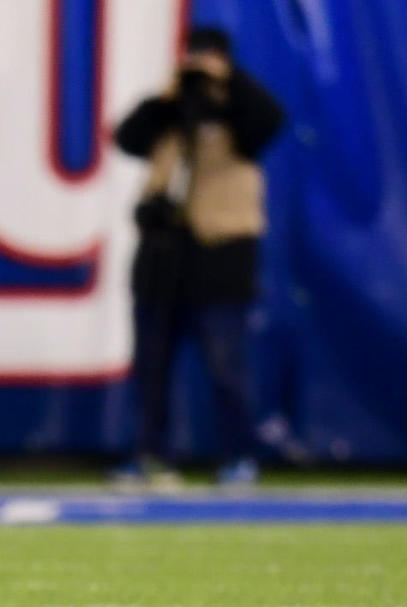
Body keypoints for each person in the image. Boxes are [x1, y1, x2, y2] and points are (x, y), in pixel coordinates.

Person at [113, 27, 284, 487]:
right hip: (164, 254)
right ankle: (151, 454)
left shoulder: (240, 108)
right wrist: (171, 94)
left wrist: (227, 84)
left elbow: (267, 124)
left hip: (221, 254)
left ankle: (239, 456)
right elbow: (127, 137)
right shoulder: (171, 110)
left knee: (227, 366)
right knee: (151, 367)